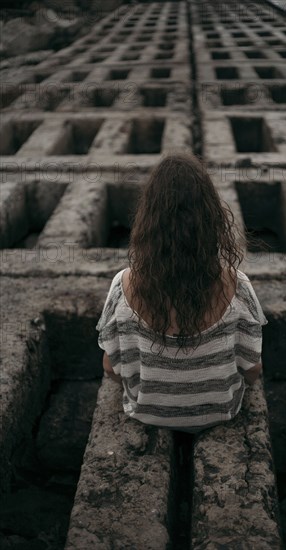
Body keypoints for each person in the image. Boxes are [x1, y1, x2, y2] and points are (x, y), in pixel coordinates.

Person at [96, 152, 268, 433]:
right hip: (220, 413)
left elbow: (111, 369)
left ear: (149, 220)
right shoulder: (238, 286)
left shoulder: (122, 286)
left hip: (147, 414)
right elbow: (252, 370)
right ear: (211, 218)